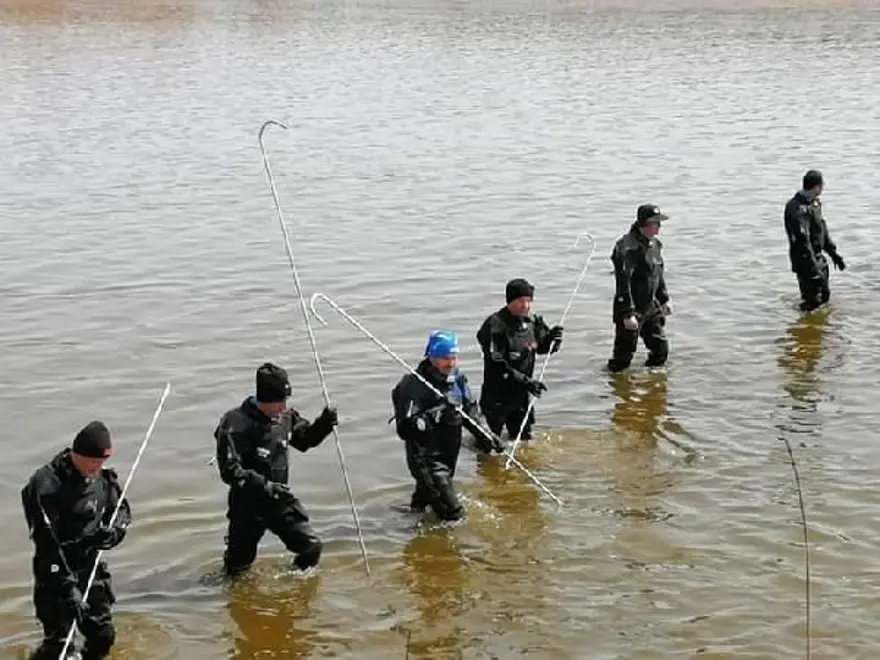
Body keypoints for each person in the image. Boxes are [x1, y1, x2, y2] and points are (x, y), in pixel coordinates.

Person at [213, 362, 338, 576]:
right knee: (237, 569)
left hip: (278, 501)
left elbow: (305, 440)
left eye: (285, 400)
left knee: (311, 548)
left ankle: (291, 587)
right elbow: (230, 471)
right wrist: (265, 486)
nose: (283, 407)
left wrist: (324, 424)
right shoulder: (235, 423)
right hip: (247, 505)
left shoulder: (285, 417)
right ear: (264, 399)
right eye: (279, 401)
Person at [21, 421, 132, 660]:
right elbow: (46, 544)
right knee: (60, 647)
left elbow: (121, 510)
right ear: (76, 454)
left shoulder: (103, 479)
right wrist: (68, 588)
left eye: (101, 462)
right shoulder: (45, 485)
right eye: (93, 461)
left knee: (103, 635)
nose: (97, 468)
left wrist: (114, 533)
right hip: (55, 571)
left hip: (91, 567)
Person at [391, 330, 503, 520]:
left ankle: (413, 527)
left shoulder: (458, 379)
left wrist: (488, 435)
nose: (450, 363)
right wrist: (438, 413)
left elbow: (471, 413)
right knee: (454, 514)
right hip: (426, 460)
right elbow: (404, 429)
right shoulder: (413, 385)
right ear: (432, 357)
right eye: (444, 358)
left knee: (424, 503)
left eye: (453, 357)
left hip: (449, 456)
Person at [476, 278, 563, 441]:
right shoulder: (495, 325)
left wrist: (553, 339)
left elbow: (542, 348)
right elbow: (497, 364)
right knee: (488, 445)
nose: (526, 306)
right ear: (510, 301)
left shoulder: (532, 322)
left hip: (521, 396)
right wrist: (527, 382)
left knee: (524, 441)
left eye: (529, 301)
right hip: (497, 397)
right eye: (521, 301)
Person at [607, 204, 672, 373]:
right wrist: (628, 314)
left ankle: (651, 388)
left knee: (661, 350)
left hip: (651, 306)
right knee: (622, 360)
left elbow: (658, 274)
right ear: (644, 223)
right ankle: (614, 387)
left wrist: (664, 300)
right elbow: (623, 282)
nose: (659, 226)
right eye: (655, 223)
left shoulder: (655, 245)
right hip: (631, 308)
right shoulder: (626, 247)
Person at [784, 169, 846, 312]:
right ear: (816, 187)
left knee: (825, 299)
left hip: (818, 259)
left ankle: (815, 330)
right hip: (805, 262)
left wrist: (834, 255)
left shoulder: (815, 204)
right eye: (822, 185)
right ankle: (802, 328)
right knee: (812, 303)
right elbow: (802, 242)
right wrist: (813, 270)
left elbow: (822, 231)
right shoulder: (796, 208)